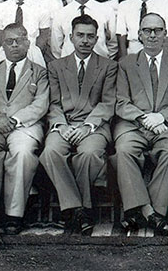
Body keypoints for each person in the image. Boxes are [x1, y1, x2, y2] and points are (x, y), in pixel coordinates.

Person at [112, 13, 168, 235]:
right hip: (133, 125)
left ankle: (146, 211)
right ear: (139, 35)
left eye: (157, 30)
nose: (152, 35)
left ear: (166, 34)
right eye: (147, 30)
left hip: (167, 125)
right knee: (124, 150)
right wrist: (144, 118)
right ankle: (151, 214)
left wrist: (162, 117)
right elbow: (121, 102)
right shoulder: (126, 64)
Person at [0, 23, 49, 234]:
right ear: (2, 45)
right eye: (9, 41)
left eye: (19, 41)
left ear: (27, 43)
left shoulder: (39, 72)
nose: (14, 45)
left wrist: (14, 120)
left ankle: (14, 215)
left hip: (24, 126)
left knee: (22, 153)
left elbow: (40, 103)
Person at [40, 14, 117, 235]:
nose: (85, 41)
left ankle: (73, 210)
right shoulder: (56, 66)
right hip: (64, 124)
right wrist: (62, 126)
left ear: (96, 39)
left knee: (90, 154)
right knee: (50, 152)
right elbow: (53, 103)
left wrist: (87, 126)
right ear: (71, 37)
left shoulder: (108, 66)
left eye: (90, 36)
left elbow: (107, 102)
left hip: (93, 126)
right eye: (80, 35)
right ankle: (79, 208)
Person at [51, 0, 117, 59]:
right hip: (70, 68)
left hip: (99, 67)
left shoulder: (106, 11)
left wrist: (103, 64)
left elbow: (112, 44)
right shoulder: (61, 14)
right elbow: (56, 48)